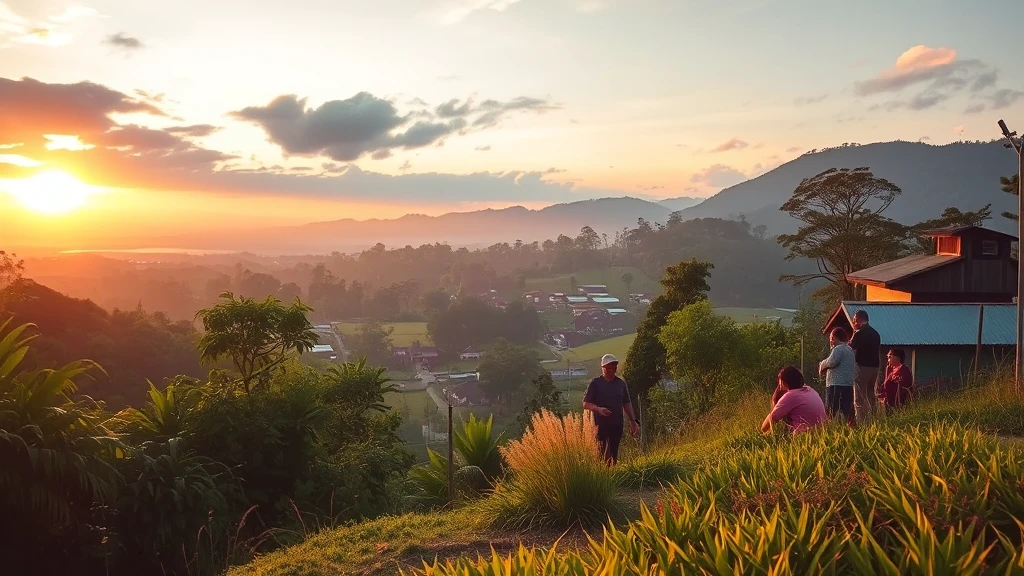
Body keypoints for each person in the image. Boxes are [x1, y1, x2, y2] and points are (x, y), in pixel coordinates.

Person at [582, 354, 638, 465]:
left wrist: (633, 421)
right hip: (600, 425)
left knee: (613, 454)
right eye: (609, 367)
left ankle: (613, 476)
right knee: (601, 455)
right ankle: (603, 477)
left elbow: (626, 403)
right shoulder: (595, 383)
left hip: (617, 424)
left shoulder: (620, 384)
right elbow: (586, 404)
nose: (612, 369)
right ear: (603, 368)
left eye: (614, 366)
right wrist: (598, 409)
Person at [761, 366, 827, 434]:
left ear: (784, 382)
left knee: (780, 420)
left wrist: (762, 431)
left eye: (779, 380)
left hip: (804, 434)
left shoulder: (790, 396)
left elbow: (771, 419)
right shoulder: (810, 390)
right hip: (822, 431)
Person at [849, 310, 881, 424]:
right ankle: (874, 419)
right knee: (871, 394)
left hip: (863, 367)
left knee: (859, 396)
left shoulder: (859, 333)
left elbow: (851, 349)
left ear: (857, 320)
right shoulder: (875, 333)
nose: (853, 323)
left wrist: (854, 332)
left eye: (854, 320)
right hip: (875, 368)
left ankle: (862, 422)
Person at [819, 327, 856, 426]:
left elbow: (831, 362)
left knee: (832, 410)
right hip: (848, 384)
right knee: (846, 410)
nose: (830, 341)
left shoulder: (838, 349)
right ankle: (848, 426)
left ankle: (832, 428)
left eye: (831, 338)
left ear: (834, 338)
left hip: (836, 384)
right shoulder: (849, 350)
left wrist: (822, 364)